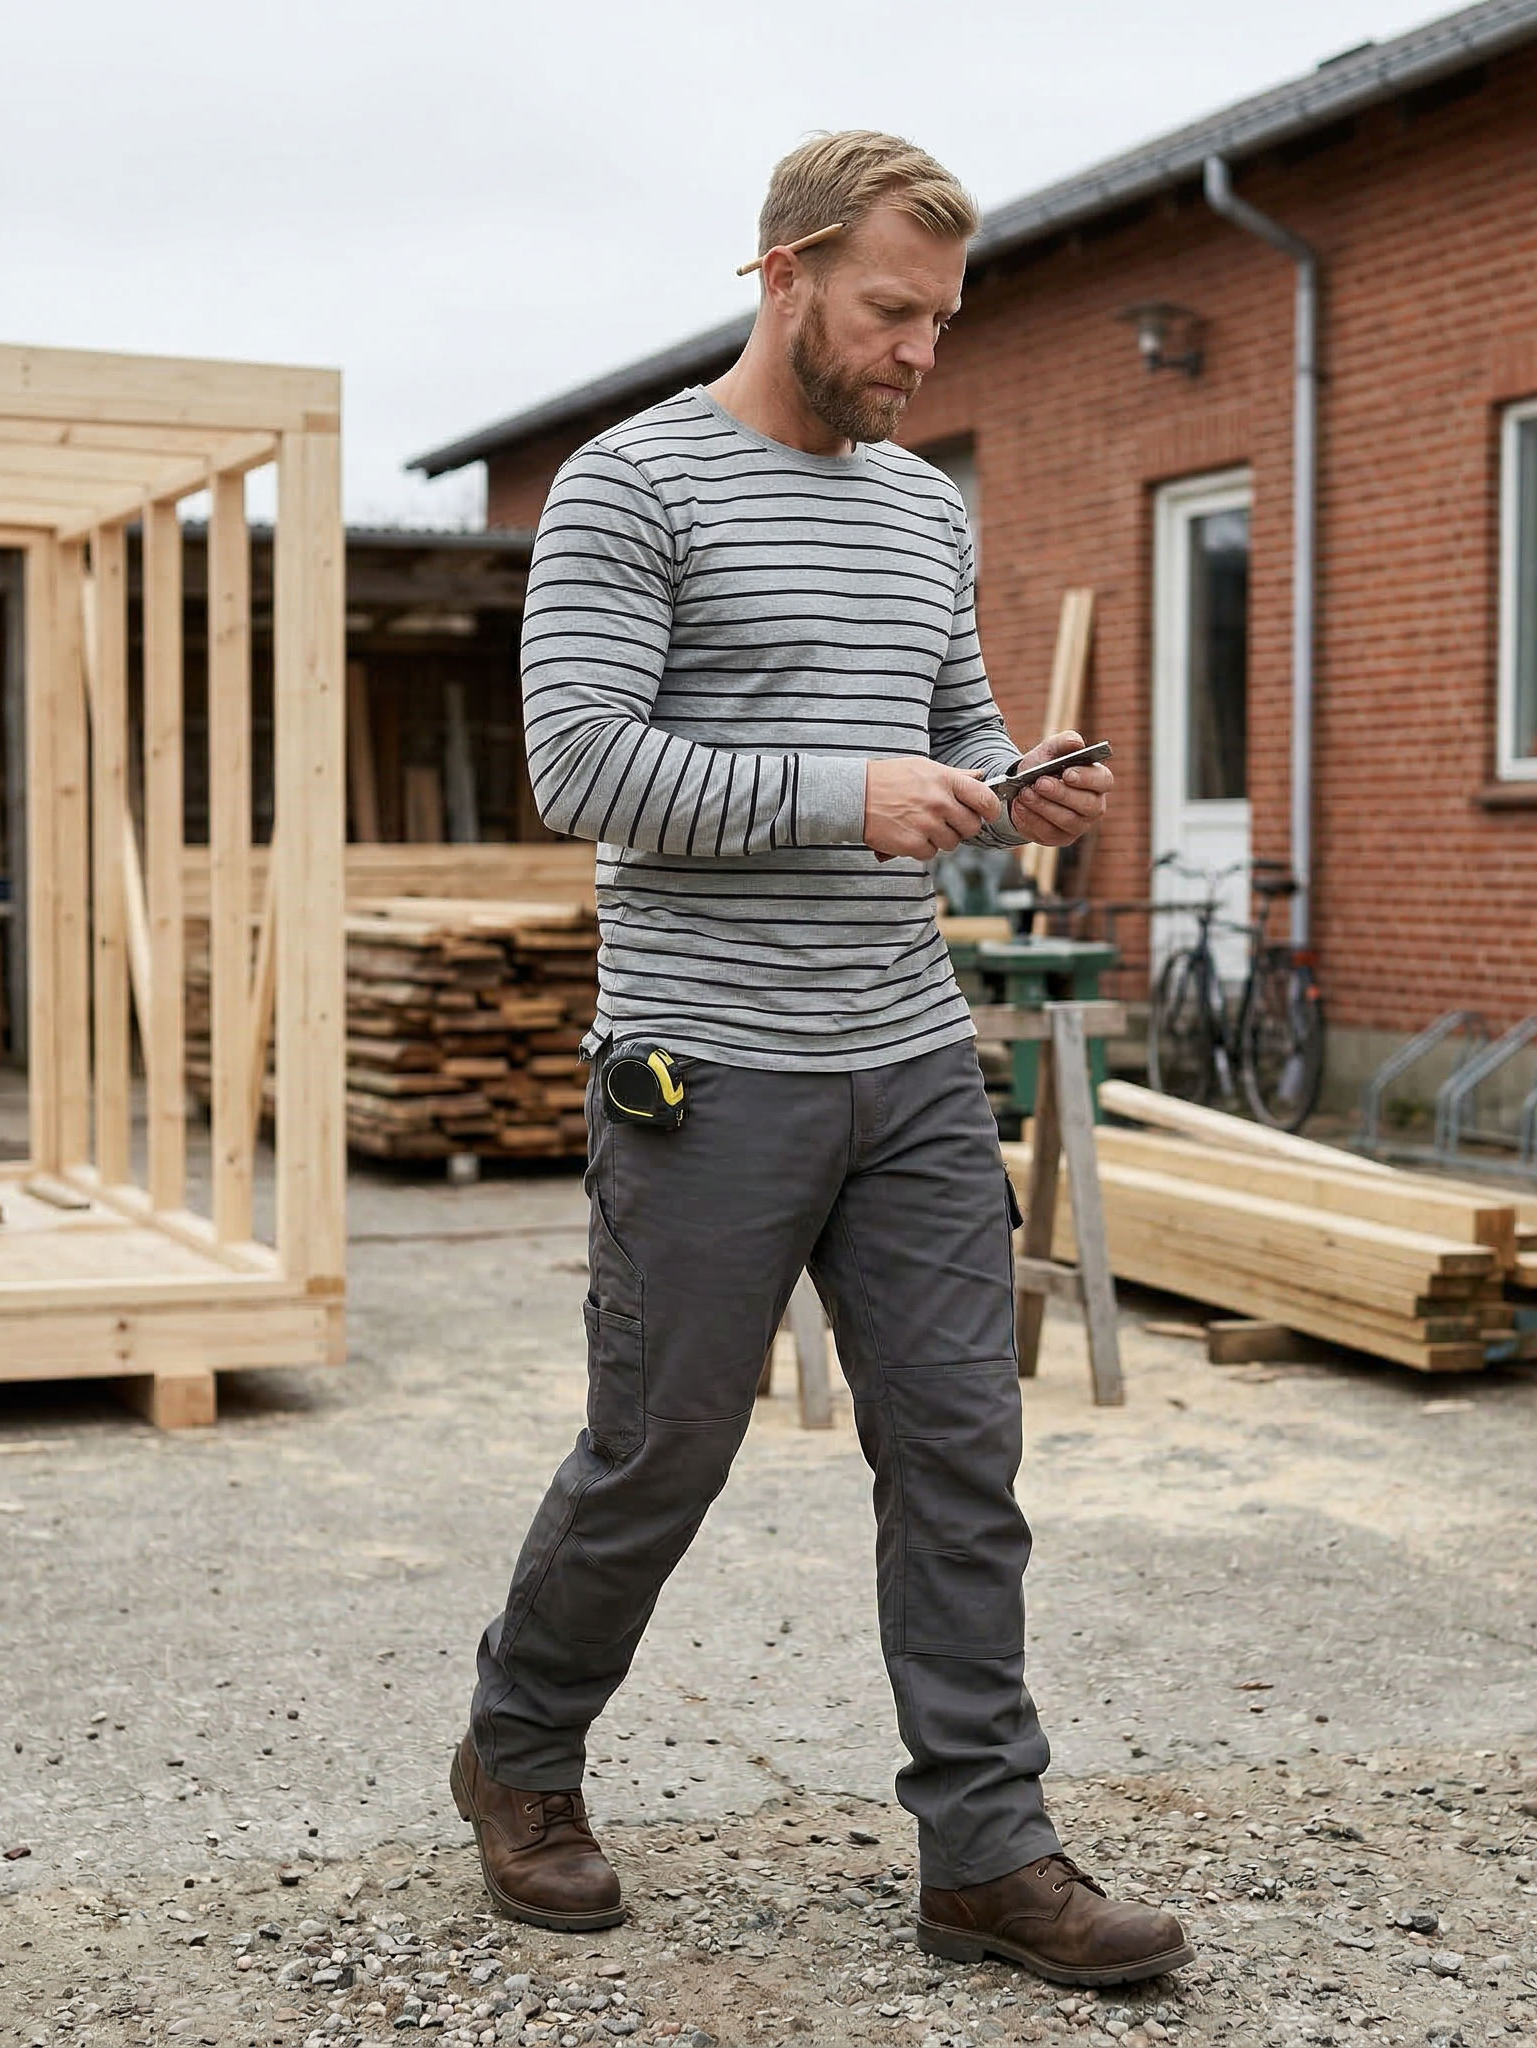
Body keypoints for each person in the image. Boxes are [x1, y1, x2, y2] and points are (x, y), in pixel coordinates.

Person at [452, 129, 1191, 1990]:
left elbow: (945, 727)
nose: (921, 353)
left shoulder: (923, 509)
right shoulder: (634, 490)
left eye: (940, 319)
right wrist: (842, 797)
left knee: (963, 1451)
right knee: (662, 1449)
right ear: (781, 273)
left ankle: (987, 1853)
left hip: (909, 1054)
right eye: (890, 311)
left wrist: (1020, 789)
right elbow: (586, 772)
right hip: (707, 1067)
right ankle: (520, 1755)